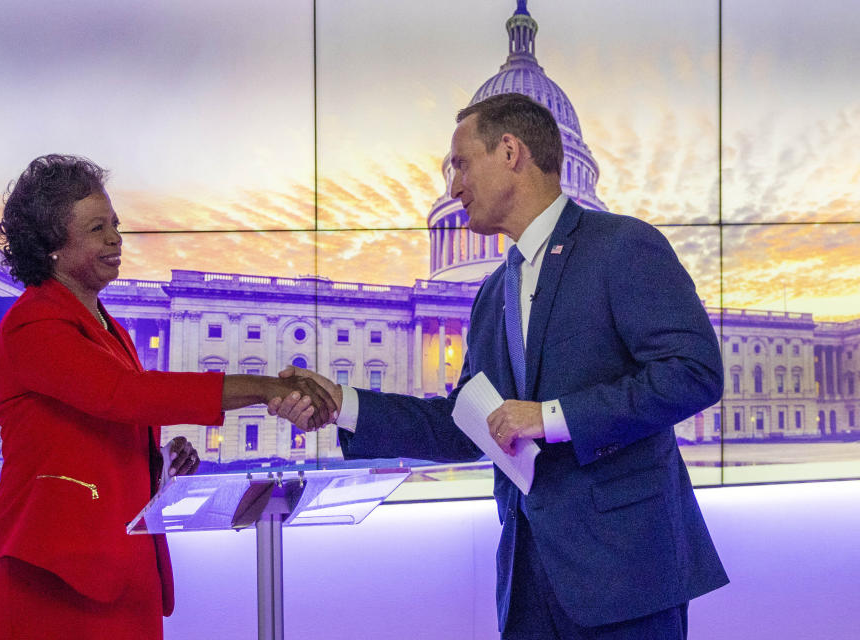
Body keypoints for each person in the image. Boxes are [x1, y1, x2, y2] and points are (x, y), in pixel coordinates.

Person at [272, 93, 728, 639]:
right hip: (526, 580)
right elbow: (469, 424)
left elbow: (693, 371)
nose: (452, 188)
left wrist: (550, 416)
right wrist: (343, 404)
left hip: (623, 575)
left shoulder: (623, 246)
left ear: (510, 151)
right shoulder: (493, 293)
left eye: (460, 164)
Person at [0, 154, 336, 640]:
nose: (115, 238)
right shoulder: (32, 322)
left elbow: (97, 433)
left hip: (120, 570)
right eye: (96, 228)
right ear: (51, 248)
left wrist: (160, 461)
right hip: (53, 579)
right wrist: (269, 388)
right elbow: (123, 395)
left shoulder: (112, 330)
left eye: (115, 224)